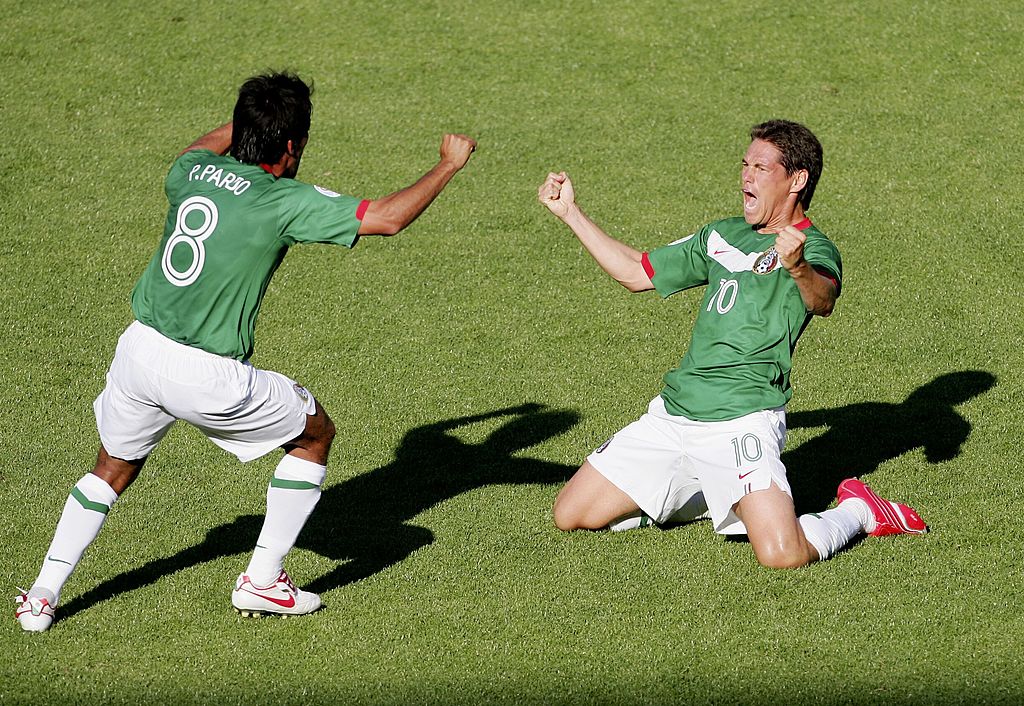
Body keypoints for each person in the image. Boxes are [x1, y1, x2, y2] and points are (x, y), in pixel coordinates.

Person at [16, 71, 476, 631]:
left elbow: (196, 147)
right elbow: (388, 217)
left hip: (138, 353)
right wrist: (450, 162)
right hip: (206, 375)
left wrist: (252, 118)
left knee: (110, 468)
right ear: (292, 144)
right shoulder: (283, 200)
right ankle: (262, 579)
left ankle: (42, 594)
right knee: (314, 433)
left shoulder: (190, 171)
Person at [537, 119, 926, 568]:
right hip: (674, 415)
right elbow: (636, 273)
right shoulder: (720, 234)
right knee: (571, 514)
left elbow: (823, 301)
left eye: (761, 167)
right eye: (745, 165)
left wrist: (797, 266)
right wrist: (571, 213)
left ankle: (860, 509)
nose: (746, 176)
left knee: (784, 554)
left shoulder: (813, 247)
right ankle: (711, 493)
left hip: (743, 420)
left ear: (796, 180)